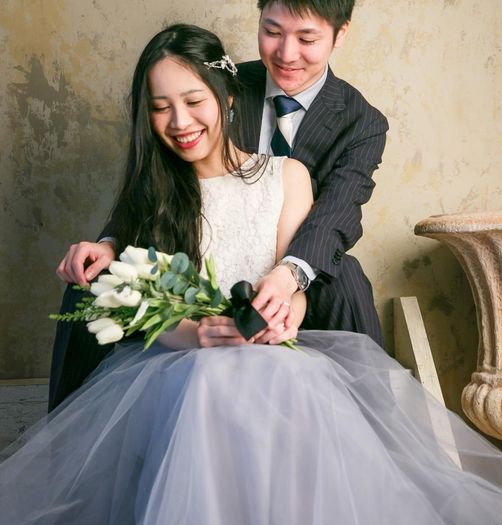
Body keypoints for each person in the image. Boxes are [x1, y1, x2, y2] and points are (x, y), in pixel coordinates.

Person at [0, 23, 502, 525]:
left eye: (194, 102)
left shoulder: (288, 175)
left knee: (284, 379)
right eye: (160, 108)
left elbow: (296, 283)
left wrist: (281, 316)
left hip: (271, 353)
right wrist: (196, 333)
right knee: (207, 383)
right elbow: (145, 300)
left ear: (227, 98)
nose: (179, 122)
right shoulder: (155, 193)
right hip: (180, 363)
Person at [49, 0, 388, 410]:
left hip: (300, 271)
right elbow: (153, 179)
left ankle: (371, 416)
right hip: (189, 266)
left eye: (306, 38)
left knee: (345, 275)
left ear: (340, 33)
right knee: (91, 278)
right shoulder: (211, 81)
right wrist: (109, 243)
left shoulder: (361, 122)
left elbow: (335, 216)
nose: (286, 53)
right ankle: (71, 426)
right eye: (272, 32)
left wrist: (287, 282)